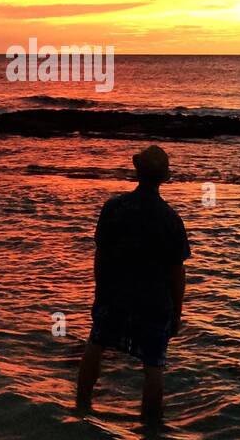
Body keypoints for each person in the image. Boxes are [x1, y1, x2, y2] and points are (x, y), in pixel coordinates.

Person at [76, 144, 191, 423]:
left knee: (96, 343)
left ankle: (81, 407)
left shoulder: (114, 208)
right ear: (164, 177)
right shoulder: (170, 219)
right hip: (153, 300)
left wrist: (100, 291)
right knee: (153, 364)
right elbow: (177, 272)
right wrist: (177, 312)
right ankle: (150, 433)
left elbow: (100, 255)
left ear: (137, 170)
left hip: (114, 294)